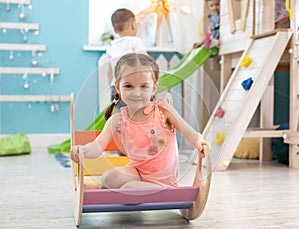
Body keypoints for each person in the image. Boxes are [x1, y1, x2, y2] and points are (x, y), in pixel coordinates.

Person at [71, 53, 211, 189]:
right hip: (137, 173)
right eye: (128, 86)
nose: (136, 93)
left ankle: (150, 189)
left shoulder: (163, 111)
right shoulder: (117, 120)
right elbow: (98, 146)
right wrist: (83, 151)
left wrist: (200, 143)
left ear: (154, 87)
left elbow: (191, 134)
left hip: (163, 180)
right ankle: (103, 186)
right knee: (109, 177)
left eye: (144, 86)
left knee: (129, 188)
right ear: (118, 87)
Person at [106, 8, 148, 110]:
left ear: (115, 30)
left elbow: (109, 72)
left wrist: (112, 86)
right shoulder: (136, 42)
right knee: (138, 116)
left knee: (122, 117)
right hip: (134, 88)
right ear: (133, 25)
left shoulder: (111, 47)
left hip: (117, 88)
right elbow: (145, 65)